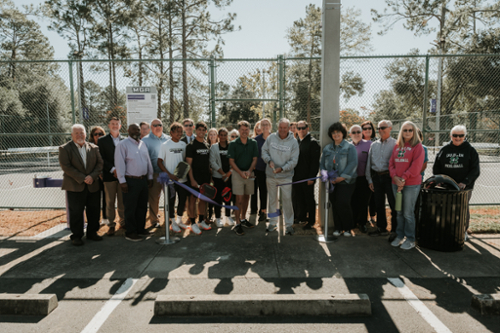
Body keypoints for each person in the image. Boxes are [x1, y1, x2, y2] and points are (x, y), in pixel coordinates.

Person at [433, 125, 480, 241]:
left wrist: (465, 182)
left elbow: (475, 170)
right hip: (446, 186)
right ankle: (447, 230)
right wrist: (440, 181)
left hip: (463, 188)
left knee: (462, 209)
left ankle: (462, 231)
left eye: (461, 135)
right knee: (445, 209)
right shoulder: (444, 150)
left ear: (465, 136)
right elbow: (436, 167)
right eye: (455, 135)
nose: (458, 138)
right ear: (450, 136)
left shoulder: (470, 150)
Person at [59, 124, 103, 246]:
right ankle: (77, 236)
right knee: (76, 212)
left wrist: (92, 176)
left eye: (82, 132)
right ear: (72, 135)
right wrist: (83, 178)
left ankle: (92, 233)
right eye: (77, 133)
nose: (80, 135)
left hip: (92, 185)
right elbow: (66, 167)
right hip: (75, 186)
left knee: (94, 211)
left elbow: (100, 164)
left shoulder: (94, 148)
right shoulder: (65, 148)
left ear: (85, 134)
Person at [389, 121, 425, 250]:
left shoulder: (418, 147)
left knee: (408, 213)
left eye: (410, 130)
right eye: (405, 130)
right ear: (401, 132)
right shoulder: (397, 146)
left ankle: (410, 239)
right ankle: (400, 235)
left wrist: (403, 179)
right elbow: (391, 164)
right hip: (396, 184)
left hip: (410, 185)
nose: (408, 132)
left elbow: (416, 167)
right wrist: (395, 177)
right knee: (398, 212)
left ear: (414, 132)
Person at [115, 123, 154, 241]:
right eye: (133, 130)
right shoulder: (123, 145)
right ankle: (130, 232)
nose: (136, 132)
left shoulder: (142, 144)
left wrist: (150, 176)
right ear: (128, 130)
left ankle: (140, 229)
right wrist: (122, 181)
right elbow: (119, 164)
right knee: (130, 207)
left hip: (143, 180)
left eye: (138, 130)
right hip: (130, 180)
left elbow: (148, 161)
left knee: (142, 206)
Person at [261, 118, 299, 235]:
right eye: (280, 127)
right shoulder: (271, 138)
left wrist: (282, 168)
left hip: (286, 176)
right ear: (278, 128)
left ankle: (288, 225)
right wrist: (269, 161)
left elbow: (294, 161)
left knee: (287, 200)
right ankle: (273, 223)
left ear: (288, 128)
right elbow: (264, 151)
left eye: (285, 128)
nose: (282, 130)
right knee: (272, 200)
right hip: (271, 175)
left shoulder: (293, 142)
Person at [320, 122, 358, 237]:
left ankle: (347, 228)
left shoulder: (349, 147)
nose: (336, 134)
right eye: (333, 133)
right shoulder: (327, 149)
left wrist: (342, 177)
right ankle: (338, 227)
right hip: (331, 182)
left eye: (338, 132)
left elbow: (353, 163)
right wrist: (325, 175)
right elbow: (322, 165)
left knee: (343, 203)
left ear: (343, 133)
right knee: (335, 204)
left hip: (346, 181)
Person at [366, 120, 398, 241]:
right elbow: (369, 163)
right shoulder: (374, 145)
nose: (380, 130)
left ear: (390, 128)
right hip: (376, 177)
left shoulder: (396, 144)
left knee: (393, 204)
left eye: (383, 127)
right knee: (379, 204)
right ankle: (381, 228)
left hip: (390, 177)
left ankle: (395, 229)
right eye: (379, 128)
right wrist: (370, 179)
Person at [228, 120, 259, 236]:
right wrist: (240, 172)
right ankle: (237, 224)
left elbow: (255, 159)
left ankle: (243, 219)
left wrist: (249, 171)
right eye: (242, 130)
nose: (244, 132)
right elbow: (231, 161)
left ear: (249, 130)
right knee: (239, 199)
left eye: (246, 130)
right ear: (239, 130)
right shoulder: (233, 144)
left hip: (249, 174)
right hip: (238, 174)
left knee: (247, 197)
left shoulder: (253, 143)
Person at [157, 122, 189, 233]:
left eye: (181, 132)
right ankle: (173, 222)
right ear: (171, 133)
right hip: (170, 180)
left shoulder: (183, 145)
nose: (180, 134)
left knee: (183, 200)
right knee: (171, 201)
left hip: (182, 179)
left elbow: (185, 161)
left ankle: (180, 220)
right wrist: (169, 174)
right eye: (177, 132)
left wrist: (182, 174)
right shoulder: (165, 145)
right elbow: (159, 162)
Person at [97, 117, 125, 236]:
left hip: (123, 176)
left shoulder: (125, 140)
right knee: (110, 201)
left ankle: (123, 222)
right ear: (109, 126)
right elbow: (101, 157)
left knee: (122, 201)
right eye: (112, 124)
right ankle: (111, 225)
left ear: (120, 126)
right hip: (109, 176)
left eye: (117, 124)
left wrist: (121, 170)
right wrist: (113, 169)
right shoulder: (102, 141)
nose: (114, 126)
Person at [141, 119, 170, 228]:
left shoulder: (168, 139)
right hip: (154, 174)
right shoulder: (145, 140)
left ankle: (170, 218)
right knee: (154, 198)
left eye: (160, 125)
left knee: (169, 197)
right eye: (155, 125)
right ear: (151, 127)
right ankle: (154, 221)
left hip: (167, 174)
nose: (158, 127)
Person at [293, 120, 321, 230]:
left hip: (307, 177)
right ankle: (302, 217)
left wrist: (311, 177)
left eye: (303, 128)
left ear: (307, 128)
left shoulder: (312, 142)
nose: (301, 130)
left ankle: (311, 221)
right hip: (297, 177)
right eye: (298, 128)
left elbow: (315, 163)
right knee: (299, 198)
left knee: (309, 199)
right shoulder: (297, 141)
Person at [186, 121, 212, 234]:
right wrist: (192, 179)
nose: (201, 132)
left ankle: (201, 221)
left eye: (203, 130)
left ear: (206, 132)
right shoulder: (191, 146)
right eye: (199, 130)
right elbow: (189, 165)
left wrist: (210, 178)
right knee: (192, 199)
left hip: (205, 177)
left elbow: (209, 164)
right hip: (194, 178)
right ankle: (192, 223)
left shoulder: (207, 145)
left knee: (203, 199)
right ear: (196, 130)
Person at [210, 127, 236, 228]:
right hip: (218, 177)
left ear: (227, 136)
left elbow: (234, 160)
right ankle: (217, 218)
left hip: (229, 176)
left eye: (225, 135)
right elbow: (213, 162)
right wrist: (223, 174)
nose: (223, 137)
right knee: (217, 198)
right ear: (218, 136)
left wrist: (229, 173)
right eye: (221, 135)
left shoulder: (231, 146)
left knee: (228, 197)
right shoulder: (214, 147)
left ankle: (228, 216)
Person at [349, 124, 373, 233]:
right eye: (353, 132)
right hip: (351, 179)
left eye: (358, 132)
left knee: (363, 202)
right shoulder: (347, 146)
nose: (356, 134)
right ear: (350, 134)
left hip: (364, 178)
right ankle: (353, 222)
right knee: (352, 201)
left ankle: (362, 223)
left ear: (362, 133)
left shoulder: (369, 145)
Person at [252, 118, 272, 224]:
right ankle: (263, 212)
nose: (265, 126)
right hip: (260, 169)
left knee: (272, 191)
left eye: (266, 124)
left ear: (270, 126)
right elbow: (254, 154)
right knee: (262, 190)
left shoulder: (274, 138)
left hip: (272, 169)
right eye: (263, 124)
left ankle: (272, 213)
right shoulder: (256, 139)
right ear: (260, 127)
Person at [89, 126, 107, 225]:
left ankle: (105, 218)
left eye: (100, 134)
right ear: (92, 136)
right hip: (94, 176)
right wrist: (98, 173)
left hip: (105, 175)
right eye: (95, 134)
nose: (98, 136)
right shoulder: (89, 146)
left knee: (106, 198)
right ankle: (95, 220)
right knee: (95, 200)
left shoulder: (105, 145)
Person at [361, 120, 377, 226]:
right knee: (363, 198)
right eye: (365, 128)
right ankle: (362, 218)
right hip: (361, 175)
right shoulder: (358, 142)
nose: (367, 130)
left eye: (369, 128)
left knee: (374, 198)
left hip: (374, 174)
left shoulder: (377, 142)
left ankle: (372, 217)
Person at [206, 127, 219, 223]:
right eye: (211, 134)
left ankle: (218, 215)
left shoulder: (220, 146)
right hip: (208, 174)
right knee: (209, 194)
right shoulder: (206, 146)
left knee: (218, 195)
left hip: (218, 174)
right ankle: (209, 215)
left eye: (214, 134)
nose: (212, 136)